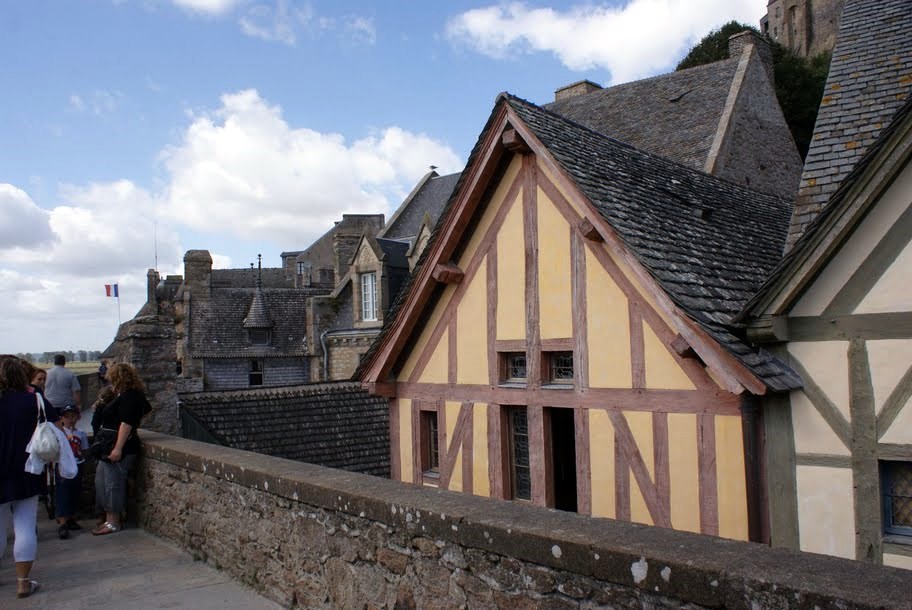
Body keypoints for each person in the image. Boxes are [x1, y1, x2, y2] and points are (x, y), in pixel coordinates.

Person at [0, 356, 58, 598]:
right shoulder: (33, 399)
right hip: (27, 468)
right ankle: (23, 582)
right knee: (24, 526)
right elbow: (53, 422)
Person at [93, 363, 150, 535]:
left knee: (113, 484)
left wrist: (118, 447)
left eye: (110, 375)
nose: (107, 378)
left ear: (117, 377)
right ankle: (109, 518)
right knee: (102, 481)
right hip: (110, 444)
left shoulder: (130, 396)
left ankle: (114, 522)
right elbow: (146, 409)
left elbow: (127, 423)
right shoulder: (125, 395)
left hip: (120, 447)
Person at [55, 405, 89, 539]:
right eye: (67, 416)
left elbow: (84, 449)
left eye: (73, 416)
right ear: (62, 418)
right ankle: (62, 521)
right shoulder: (59, 433)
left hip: (77, 463)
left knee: (75, 491)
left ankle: (71, 518)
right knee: (63, 491)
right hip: (63, 466)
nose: (70, 419)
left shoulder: (80, 433)